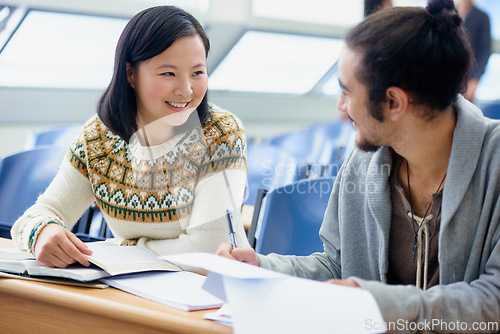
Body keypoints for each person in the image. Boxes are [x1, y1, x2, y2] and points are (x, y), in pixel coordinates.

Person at [218, 0, 500, 331]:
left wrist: (376, 303)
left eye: (347, 92)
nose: (341, 107)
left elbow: (493, 302)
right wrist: (262, 267)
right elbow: (338, 265)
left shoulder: (493, 164)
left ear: (393, 102)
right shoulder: (363, 159)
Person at [11, 5, 249, 268]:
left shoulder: (220, 133)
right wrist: (42, 232)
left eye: (197, 72)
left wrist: (120, 249)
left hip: (207, 295)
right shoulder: (98, 138)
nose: (186, 89)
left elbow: (208, 250)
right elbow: (37, 216)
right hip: (132, 288)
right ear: (130, 74)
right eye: (168, 73)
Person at [455, 0, 491, 102]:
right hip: (447, 77)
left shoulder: (482, 17)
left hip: (469, 78)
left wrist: (475, 80)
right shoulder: (447, 13)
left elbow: (484, 51)